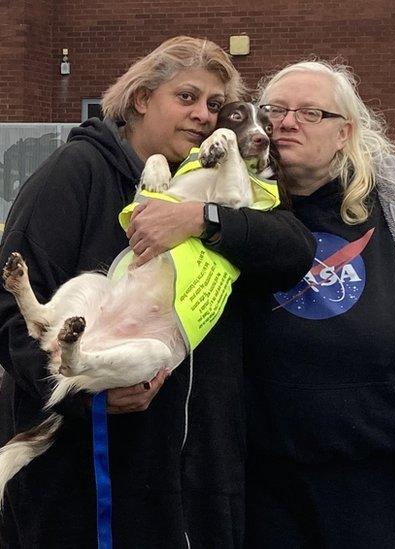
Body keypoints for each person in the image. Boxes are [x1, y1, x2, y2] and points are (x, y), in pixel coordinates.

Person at [0, 37, 315, 548]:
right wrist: (87, 399)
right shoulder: (77, 172)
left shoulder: (215, 182)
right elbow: (6, 314)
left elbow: (292, 250)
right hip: (87, 479)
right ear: (142, 99)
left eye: (214, 106)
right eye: (186, 97)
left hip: (195, 479)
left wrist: (201, 220)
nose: (201, 116)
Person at [243, 60, 395, 548]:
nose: (286, 122)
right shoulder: (238, 208)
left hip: (377, 475)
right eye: (274, 110)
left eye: (310, 113)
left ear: (345, 132)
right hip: (261, 479)